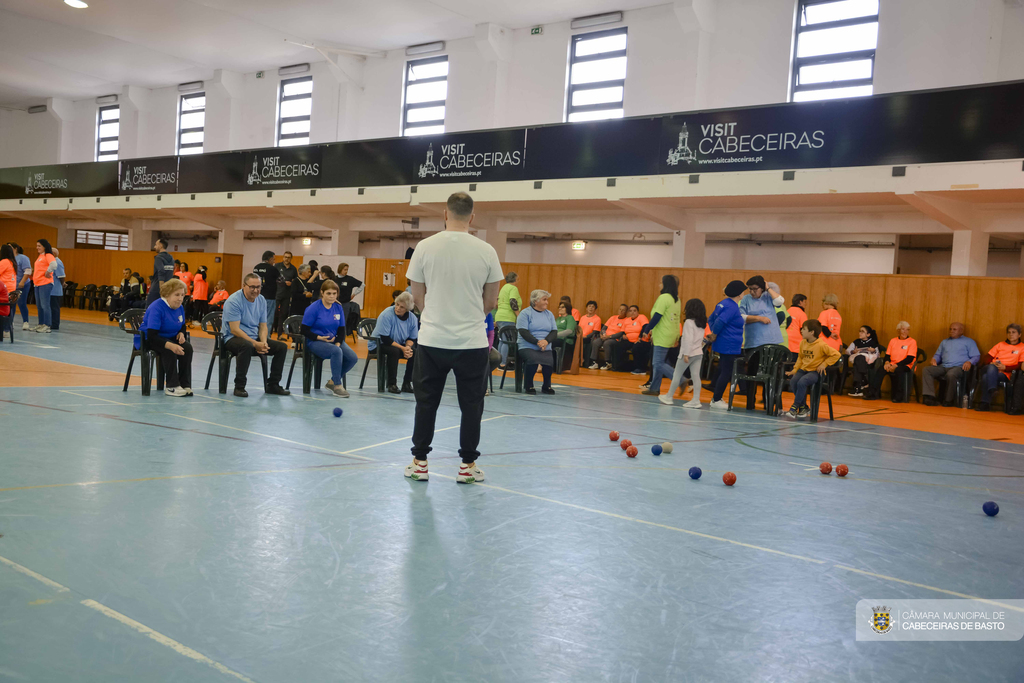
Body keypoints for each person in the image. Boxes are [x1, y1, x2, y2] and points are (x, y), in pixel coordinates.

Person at [405, 191, 503, 484]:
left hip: (432, 340)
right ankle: (467, 467)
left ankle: (419, 463)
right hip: (471, 343)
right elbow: (491, 301)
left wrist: (436, 315)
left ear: (445, 214)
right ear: (472, 217)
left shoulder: (424, 247)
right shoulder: (487, 251)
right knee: (472, 406)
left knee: (426, 403)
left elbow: (417, 297)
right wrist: (468, 315)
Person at [220, 273, 290, 398]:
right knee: (246, 346)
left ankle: (273, 385)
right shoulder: (234, 301)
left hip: (254, 337)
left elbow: (263, 326)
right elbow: (235, 330)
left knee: (281, 347)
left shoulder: (261, 300)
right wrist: (254, 343)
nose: (256, 290)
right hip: (232, 338)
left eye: (258, 287)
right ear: (244, 286)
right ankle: (239, 387)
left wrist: (263, 342)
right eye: (252, 287)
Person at [301, 279, 358, 398]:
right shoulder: (314, 308)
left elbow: (342, 329)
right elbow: (304, 329)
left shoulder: (338, 307)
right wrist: (319, 337)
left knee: (352, 357)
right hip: (315, 341)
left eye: (334, 293)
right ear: (322, 293)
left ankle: (332, 381)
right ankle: (337, 385)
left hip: (333, 341)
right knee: (336, 351)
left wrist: (338, 342)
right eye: (328, 293)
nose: (332, 296)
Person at [140, 278, 193, 397]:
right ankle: (172, 386)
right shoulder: (157, 307)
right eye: (177, 295)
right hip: (150, 339)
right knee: (169, 350)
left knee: (187, 348)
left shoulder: (179, 306)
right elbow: (152, 335)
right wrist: (171, 345)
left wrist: (181, 333)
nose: (180, 298)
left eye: (182, 295)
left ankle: (185, 384)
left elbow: (182, 325)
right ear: (167, 294)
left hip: (170, 337)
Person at [738, 276, 784, 407]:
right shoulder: (746, 299)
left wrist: (767, 287)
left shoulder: (768, 296)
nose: (752, 292)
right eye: (750, 289)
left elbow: (780, 301)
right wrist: (758, 318)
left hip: (772, 341)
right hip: (753, 342)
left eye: (755, 289)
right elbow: (741, 317)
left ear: (762, 288)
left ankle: (769, 402)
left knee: (771, 372)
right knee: (752, 372)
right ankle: (750, 402)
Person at [785, 319, 841, 419]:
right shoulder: (803, 343)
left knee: (802, 382)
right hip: (803, 370)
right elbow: (800, 358)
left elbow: (836, 354)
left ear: (811, 332)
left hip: (815, 372)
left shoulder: (821, 345)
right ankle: (803, 407)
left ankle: (794, 407)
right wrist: (794, 370)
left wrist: (824, 364)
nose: (801, 330)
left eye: (804, 329)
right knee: (793, 381)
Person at [707, 280, 747, 410]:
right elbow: (721, 320)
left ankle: (717, 398)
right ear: (739, 294)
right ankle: (716, 399)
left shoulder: (722, 303)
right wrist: (715, 334)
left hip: (723, 343)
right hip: (729, 344)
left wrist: (716, 334)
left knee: (723, 370)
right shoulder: (732, 306)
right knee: (726, 372)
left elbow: (711, 319)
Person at [661, 298, 707, 408]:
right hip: (698, 353)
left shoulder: (688, 322)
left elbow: (688, 339)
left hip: (688, 353)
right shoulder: (702, 323)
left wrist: (686, 354)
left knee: (677, 374)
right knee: (696, 376)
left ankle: (669, 397)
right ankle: (696, 400)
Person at [369, 291, 419, 394]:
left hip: (398, 345)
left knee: (415, 352)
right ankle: (392, 384)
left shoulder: (413, 318)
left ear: (407, 309)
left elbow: (412, 338)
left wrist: (408, 347)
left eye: (402, 307)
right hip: (379, 344)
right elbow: (385, 338)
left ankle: (407, 383)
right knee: (394, 351)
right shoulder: (387, 314)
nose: (398, 308)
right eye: (397, 304)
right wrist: (402, 348)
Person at [922, 322, 981, 407]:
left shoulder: (969, 342)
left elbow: (976, 356)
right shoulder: (944, 342)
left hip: (959, 367)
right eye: (950, 329)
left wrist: (969, 362)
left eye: (954, 329)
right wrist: (934, 359)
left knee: (951, 374)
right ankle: (929, 397)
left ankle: (948, 400)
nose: (951, 331)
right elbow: (938, 354)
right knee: (926, 370)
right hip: (944, 366)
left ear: (961, 331)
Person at [641, 275, 682, 395]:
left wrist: (647, 329)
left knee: (658, 363)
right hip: (672, 333)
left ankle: (681, 380)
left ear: (666, 284)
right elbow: (677, 318)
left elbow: (657, 316)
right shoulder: (677, 299)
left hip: (663, 334)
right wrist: (677, 336)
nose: (659, 285)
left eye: (661, 282)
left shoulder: (664, 297)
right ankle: (654, 388)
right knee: (659, 362)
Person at [517, 289, 558, 395]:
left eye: (547, 300)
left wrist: (546, 341)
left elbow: (554, 332)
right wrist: (537, 342)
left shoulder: (549, 314)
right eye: (544, 299)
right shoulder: (525, 313)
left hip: (545, 345)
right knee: (533, 359)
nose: (547, 302)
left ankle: (546, 386)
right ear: (535, 301)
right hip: (527, 345)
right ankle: (529, 385)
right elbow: (523, 331)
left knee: (549, 361)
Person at [974, 324, 1023, 412]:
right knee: (992, 367)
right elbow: (987, 357)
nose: (1011, 334)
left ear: (1019, 335)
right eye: (1008, 332)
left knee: (986, 377)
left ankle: (985, 403)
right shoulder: (1000, 344)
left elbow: (1020, 365)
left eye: (1013, 332)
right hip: (991, 367)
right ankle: (992, 388)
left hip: (1005, 373)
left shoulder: (1022, 347)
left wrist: (1005, 368)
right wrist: (990, 362)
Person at [866, 321, 917, 402]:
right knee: (881, 369)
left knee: (899, 370)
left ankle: (898, 396)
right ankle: (873, 393)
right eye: (903, 329)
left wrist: (896, 365)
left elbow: (910, 358)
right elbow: (887, 355)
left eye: (907, 330)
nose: (905, 332)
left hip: (906, 365)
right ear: (898, 330)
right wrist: (886, 363)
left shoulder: (912, 342)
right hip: (891, 364)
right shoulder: (893, 341)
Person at [610, 305, 649, 374]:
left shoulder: (642, 317)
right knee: (617, 345)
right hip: (628, 340)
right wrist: (624, 335)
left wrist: (640, 337)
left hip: (640, 340)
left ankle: (640, 368)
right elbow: (623, 331)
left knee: (636, 347)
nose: (632, 312)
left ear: (638, 312)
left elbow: (645, 327)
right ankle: (618, 366)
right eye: (630, 311)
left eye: (634, 311)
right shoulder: (627, 320)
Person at [588, 303, 628, 370]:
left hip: (615, 338)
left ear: (626, 312)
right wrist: (602, 334)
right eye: (620, 309)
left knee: (607, 343)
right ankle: (594, 362)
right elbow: (604, 328)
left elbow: (621, 333)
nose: (621, 311)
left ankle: (608, 362)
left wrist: (609, 336)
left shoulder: (626, 320)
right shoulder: (613, 318)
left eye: (623, 310)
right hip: (605, 336)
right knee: (595, 342)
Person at [495, 271, 521, 368]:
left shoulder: (503, 288)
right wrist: (518, 315)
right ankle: (503, 363)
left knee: (502, 340)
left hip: (499, 317)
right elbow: (512, 301)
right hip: (507, 317)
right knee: (506, 340)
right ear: (515, 279)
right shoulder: (513, 288)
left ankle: (499, 361)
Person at [846, 326, 881, 398]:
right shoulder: (856, 342)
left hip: (868, 361)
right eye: (859, 331)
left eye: (862, 331)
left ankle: (858, 387)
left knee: (858, 361)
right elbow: (847, 351)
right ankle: (863, 381)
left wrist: (873, 350)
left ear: (868, 334)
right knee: (858, 359)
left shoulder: (872, 342)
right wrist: (853, 351)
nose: (860, 333)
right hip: (858, 359)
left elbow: (878, 354)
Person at [31, 239, 57, 333]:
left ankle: (47, 325)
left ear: (44, 247)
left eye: (39, 246)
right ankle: (41, 324)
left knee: (45, 305)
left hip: (45, 283)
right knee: (39, 305)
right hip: (37, 284)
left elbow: (54, 264)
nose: (37, 248)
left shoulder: (48, 255)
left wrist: (48, 271)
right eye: (37, 246)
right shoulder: (40, 256)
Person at [252, 251, 279, 332]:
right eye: (273, 259)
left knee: (256, 318)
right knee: (268, 319)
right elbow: (281, 280)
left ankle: (255, 337)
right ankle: (265, 339)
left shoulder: (256, 267)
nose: (274, 261)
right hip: (270, 296)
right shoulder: (272, 269)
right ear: (270, 259)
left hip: (256, 296)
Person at [145, 238, 175, 307]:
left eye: (156, 245)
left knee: (149, 309)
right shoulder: (171, 258)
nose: (154, 247)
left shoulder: (158, 258)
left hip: (157, 288)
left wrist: (162, 289)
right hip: (169, 288)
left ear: (160, 246)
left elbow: (161, 272)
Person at [275, 251, 298, 336]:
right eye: (285, 257)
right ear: (283, 257)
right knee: (274, 312)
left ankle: (280, 334)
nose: (286, 259)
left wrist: (291, 283)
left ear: (291, 258)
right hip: (277, 293)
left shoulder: (293, 268)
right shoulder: (277, 266)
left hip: (287, 294)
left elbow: (296, 281)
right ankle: (270, 332)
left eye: (288, 257)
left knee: (284, 314)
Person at [11, 244, 33, 330]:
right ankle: (10, 322)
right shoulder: (8, 258)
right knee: (11, 303)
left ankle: (25, 321)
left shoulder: (23, 258)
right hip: (12, 284)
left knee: (21, 303)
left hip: (22, 284)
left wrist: (22, 282)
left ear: (15, 248)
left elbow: (28, 270)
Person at [553, 301, 577, 372]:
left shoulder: (570, 318)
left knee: (548, 342)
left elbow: (569, 331)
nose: (560, 308)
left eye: (562, 307)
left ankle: (541, 365)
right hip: (556, 339)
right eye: (559, 307)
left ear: (567, 309)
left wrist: (555, 335)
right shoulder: (557, 319)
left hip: (565, 340)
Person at [767, 282, 789, 346]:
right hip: (783, 334)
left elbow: (781, 315)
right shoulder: (782, 305)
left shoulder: (772, 304)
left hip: (775, 337)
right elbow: (789, 319)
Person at [49, 247, 66, 331]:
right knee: (51, 307)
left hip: (55, 290)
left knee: (54, 308)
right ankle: (50, 322)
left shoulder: (57, 262)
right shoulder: (52, 262)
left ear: (54, 254)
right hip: (51, 289)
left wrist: (62, 284)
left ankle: (55, 324)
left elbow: (61, 276)